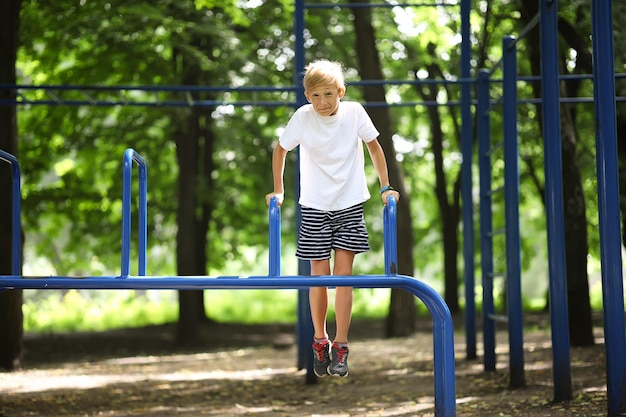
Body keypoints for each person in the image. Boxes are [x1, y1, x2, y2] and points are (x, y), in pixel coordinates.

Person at [265, 59, 400, 378]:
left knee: (343, 276)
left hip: (349, 203)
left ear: (341, 92)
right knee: (318, 276)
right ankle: (319, 339)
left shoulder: (354, 113)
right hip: (314, 205)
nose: (322, 103)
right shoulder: (302, 117)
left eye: (328, 94)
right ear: (306, 96)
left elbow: (375, 149)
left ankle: (341, 343)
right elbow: (281, 150)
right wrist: (279, 190)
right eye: (314, 96)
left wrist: (386, 186)